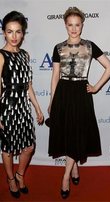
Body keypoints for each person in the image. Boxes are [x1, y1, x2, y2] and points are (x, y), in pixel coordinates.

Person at [48, 7, 110, 199]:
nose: (74, 28)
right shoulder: (58, 47)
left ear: (82, 25)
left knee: (77, 132)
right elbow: (54, 77)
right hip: (63, 93)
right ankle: (74, 168)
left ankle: (66, 176)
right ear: (65, 25)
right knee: (68, 131)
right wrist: (52, 101)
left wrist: (96, 87)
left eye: (77, 25)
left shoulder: (90, 45)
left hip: (81, 93)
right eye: (70, 25)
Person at [0, 11, 44, 198]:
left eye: (18, 32)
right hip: (7, 107)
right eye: (10, 31)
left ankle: (20, 174)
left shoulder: (25, 55)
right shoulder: (1, 56)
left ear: (23, 33)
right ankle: (11, 179)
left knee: (29, 147)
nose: (14, 36)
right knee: (8, 148)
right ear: (4, 33)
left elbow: (28, 86)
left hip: (23, 107)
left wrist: (37, 108)